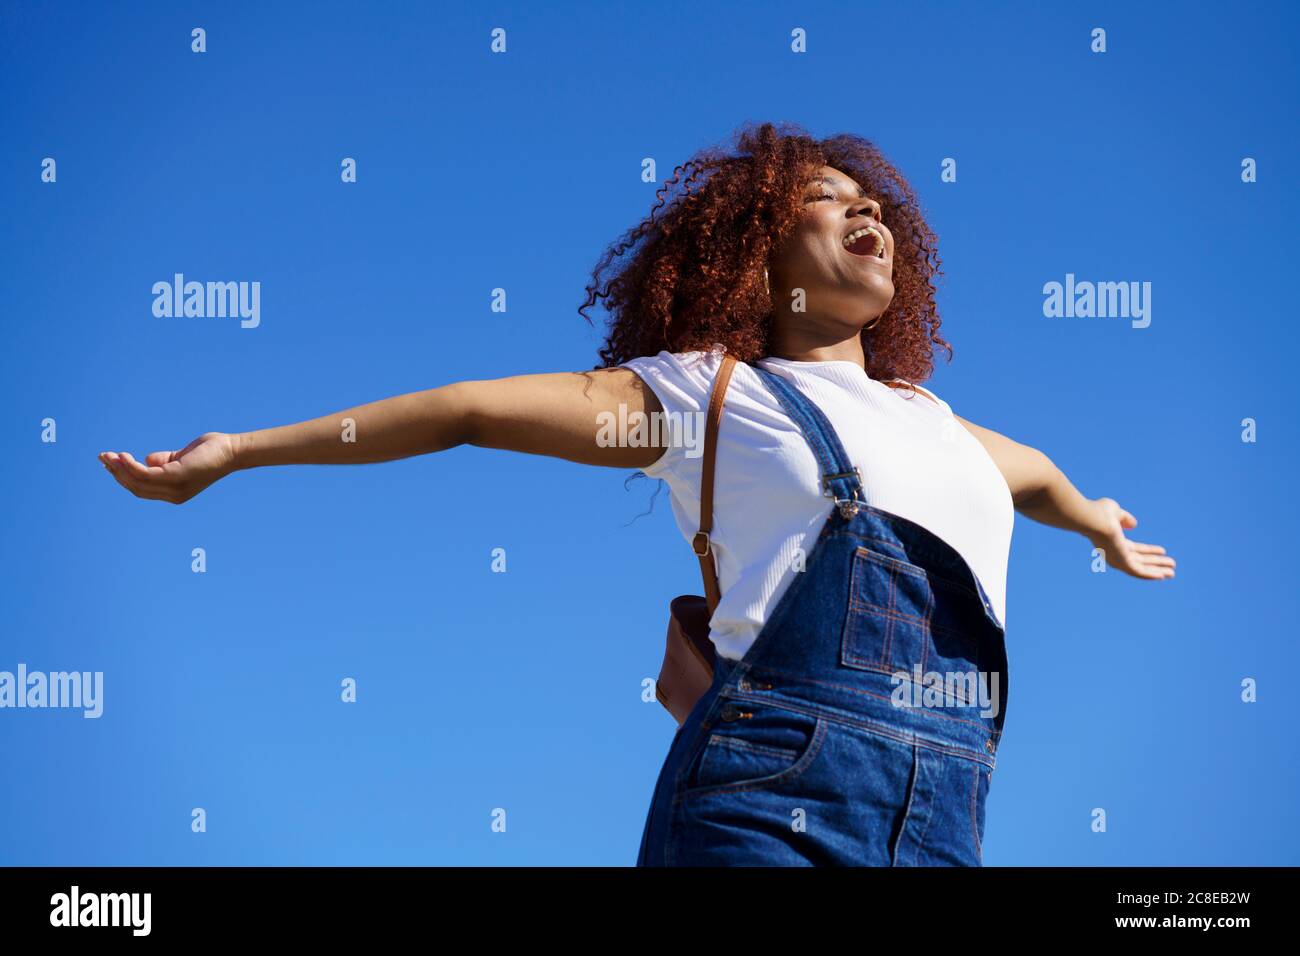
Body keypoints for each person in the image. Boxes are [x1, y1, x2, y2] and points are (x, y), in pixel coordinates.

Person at [98, 121, 1174, 866]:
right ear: (756, 258)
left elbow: (1029, 474)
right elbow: (469, 408)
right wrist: (239, 449)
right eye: (826, 204)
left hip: (946, 812)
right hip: (766, 798)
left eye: (875, 207)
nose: (870, 217)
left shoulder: (937, 421)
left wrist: (1093, 518)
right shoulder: (708, 397)